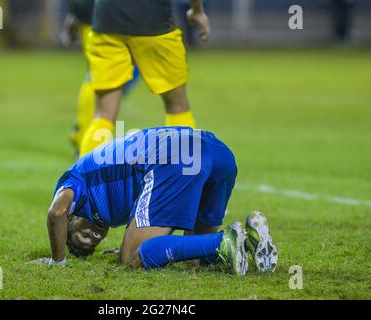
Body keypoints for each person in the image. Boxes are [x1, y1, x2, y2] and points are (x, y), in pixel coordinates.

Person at [36, 127, 278, 275]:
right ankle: (249, 241)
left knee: (132, 258)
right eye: (93, 244)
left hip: (177, 156)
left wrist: (57, 259)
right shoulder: (107, 192)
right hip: (217, 151)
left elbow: (56, 212)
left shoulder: (74, 180)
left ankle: (227, 241)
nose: (93, 239)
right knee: (193, 259)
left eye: (75, 238)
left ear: (71, 220)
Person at [79, 0, 211, 157]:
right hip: (153, 22)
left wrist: (76, 14)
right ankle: (185, 176)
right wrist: (197, 11)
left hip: (105, 20)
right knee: (177, 106)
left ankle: (82, 179)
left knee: (103, 114)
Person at [59, 0, 140, 151]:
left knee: (106, 74)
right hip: (109, 11)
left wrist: (73, 15)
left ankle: (83, 132)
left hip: (93, 9)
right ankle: (86, 137)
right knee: (101, 75)